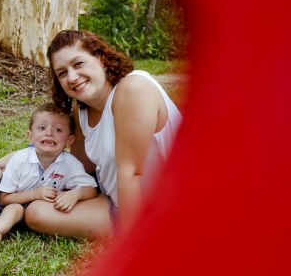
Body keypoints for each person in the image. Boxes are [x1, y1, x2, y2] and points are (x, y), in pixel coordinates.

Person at [32, 29, 183, 235]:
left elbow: (131, 173)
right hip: (114, 203)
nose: (72, 77)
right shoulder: (81, 110)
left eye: (78, 64)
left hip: (170, 206)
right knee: (36, 212)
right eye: (62, 73)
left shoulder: (133, 89)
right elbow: (80, 169)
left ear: (101, 59)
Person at [0, 103, 98, 247]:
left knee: (15, 209)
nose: (49, 133)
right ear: (30, 136)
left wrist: (75, 194)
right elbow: (3, 199)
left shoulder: (70, 164)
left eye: (58, 129)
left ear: (69, 140)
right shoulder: (20, 159)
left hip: (23, 213)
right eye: (42, 128)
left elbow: (92, 189)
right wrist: (35, 194)